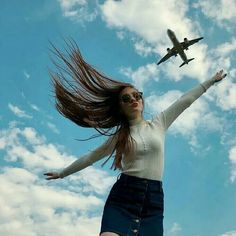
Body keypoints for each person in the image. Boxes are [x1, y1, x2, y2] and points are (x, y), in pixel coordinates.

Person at [44, 41, 227, 236]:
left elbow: (184, 101)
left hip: (153, 203)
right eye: (126, 98)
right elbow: (90, 157)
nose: (133, 99)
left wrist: (211, 81)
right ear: (121, 107)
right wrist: (63, 173)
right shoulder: (120, 137)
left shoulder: (159, 123)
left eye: (136, 95)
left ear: (141, 99)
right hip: (124, 197)